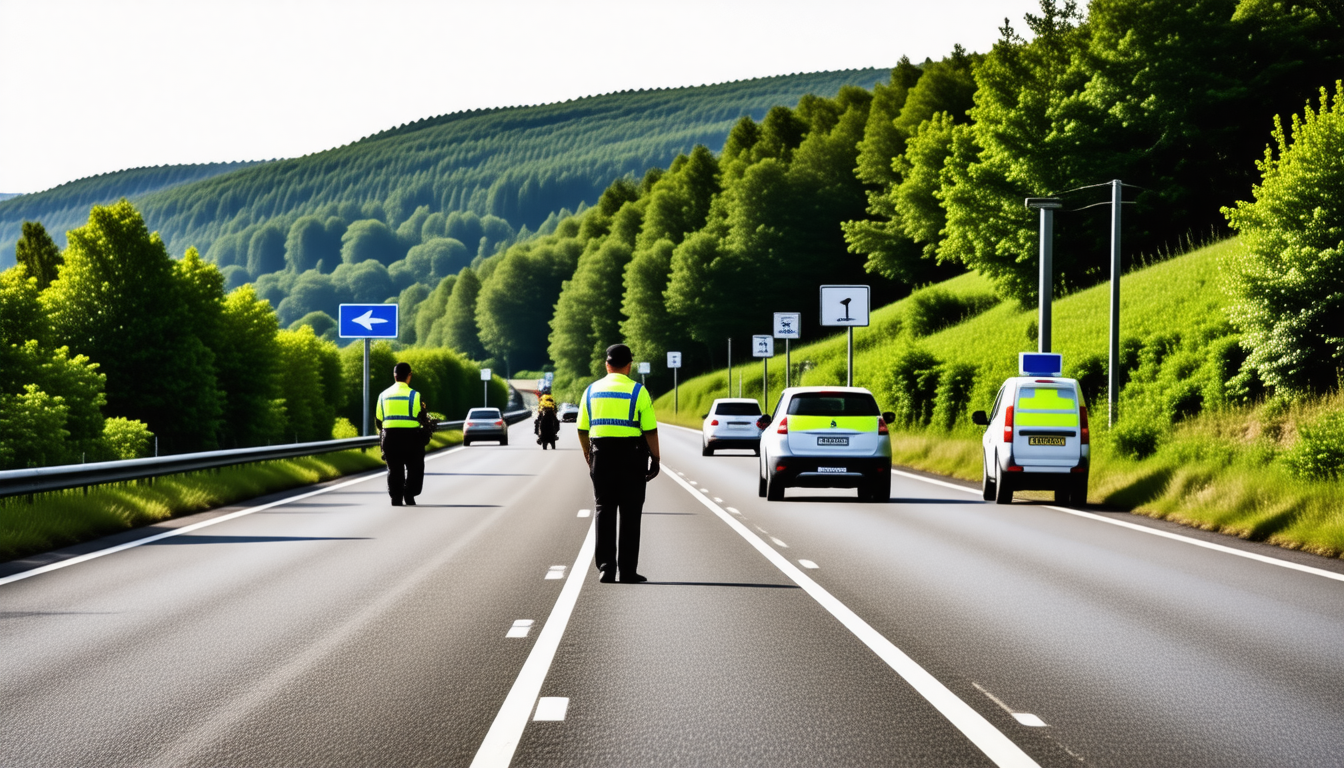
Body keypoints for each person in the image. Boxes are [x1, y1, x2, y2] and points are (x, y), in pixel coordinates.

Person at [577, 343, 660, 583]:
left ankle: (606, 567)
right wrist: (655, 458)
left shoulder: (591, 391)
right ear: (629, 365)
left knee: (604, 508)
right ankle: (628, 570)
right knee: (631, 512)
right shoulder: (638, 391)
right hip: (632, 456)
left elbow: (582, 428)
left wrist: (588, 454)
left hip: (601, 455)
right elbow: (651, 431)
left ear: (607, 365)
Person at [376, 362, 428, 506]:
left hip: (390, 438)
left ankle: (396, 498)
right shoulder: (415, 395)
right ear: (409, 376)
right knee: (415, 468)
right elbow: (422, 417)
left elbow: (379, 420)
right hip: (412, 438)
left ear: (394, 376)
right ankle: (409, 494)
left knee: (394, 469)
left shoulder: (383, 395)